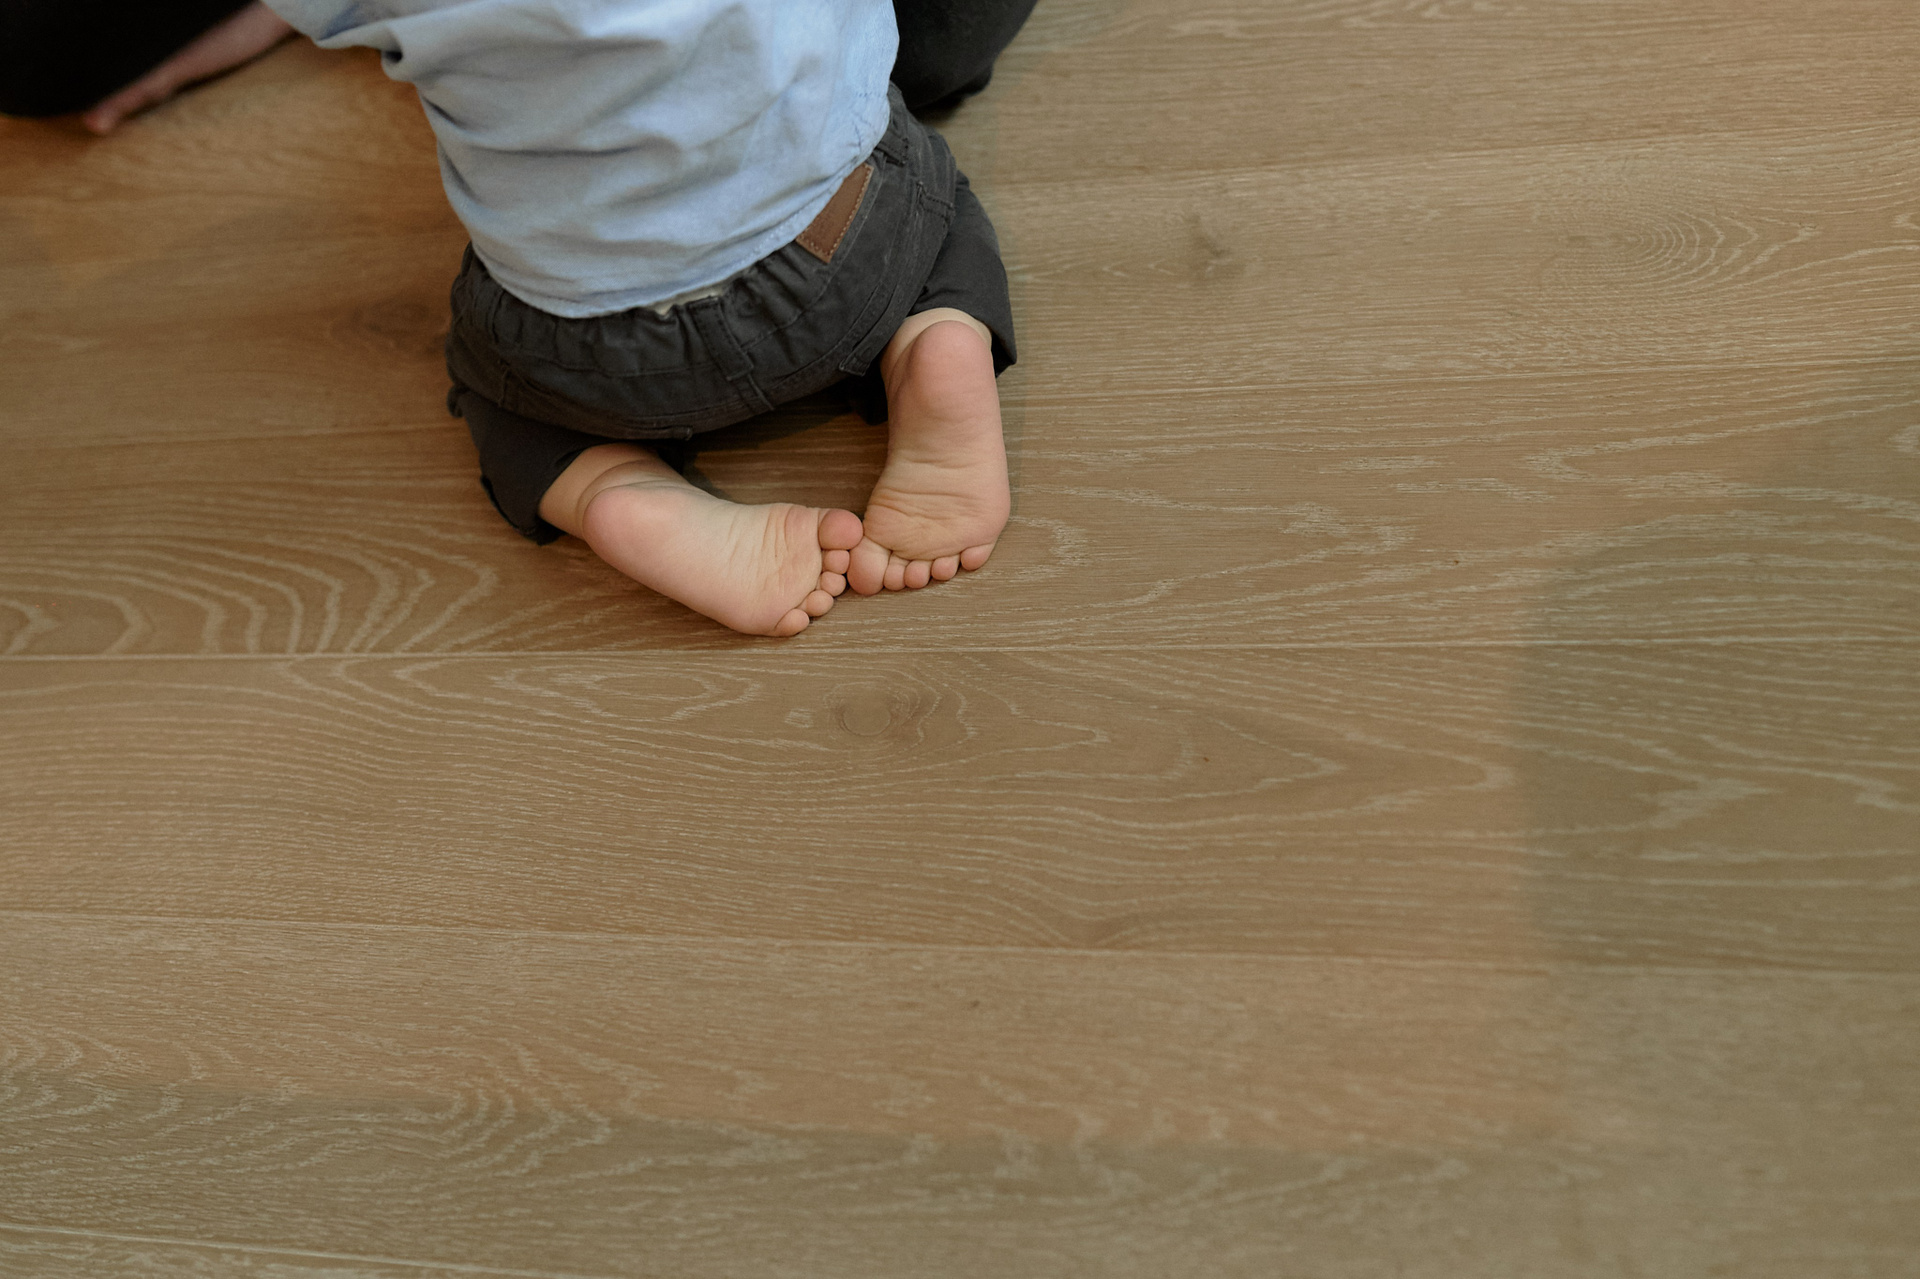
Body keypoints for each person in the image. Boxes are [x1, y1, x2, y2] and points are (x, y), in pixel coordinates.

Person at [1, 0, 1037, 636]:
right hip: (840, 250)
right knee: (933, 203)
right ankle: (934, 340)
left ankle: (604, 485)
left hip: (588, 341)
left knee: (489, 379)